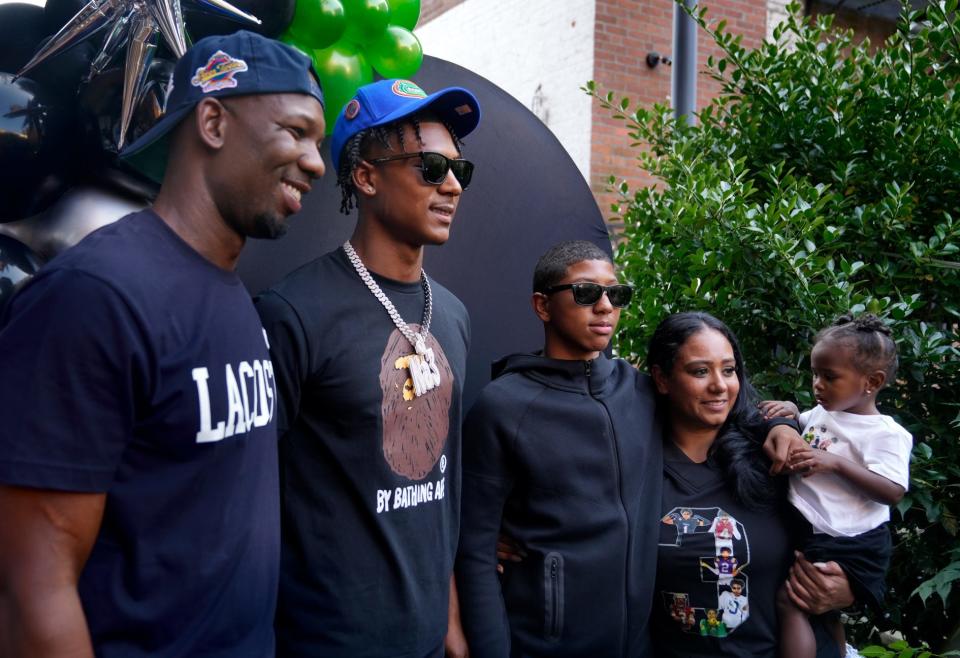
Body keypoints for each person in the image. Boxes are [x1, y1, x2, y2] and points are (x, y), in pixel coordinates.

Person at [0, 31, 325, 658]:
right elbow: (29, 593)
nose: (315, 161)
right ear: (212, 121)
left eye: (318, 142)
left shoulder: (229, 291)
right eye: (295, 131)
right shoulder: (96, 294)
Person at [454, 242, 813, 657]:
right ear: (543, 305)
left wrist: (784, 423)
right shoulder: (503, 406)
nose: (605, 306)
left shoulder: (641, 391)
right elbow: (475, 552)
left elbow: (719, 401)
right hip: (542, 644)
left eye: (616, 294)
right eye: (587, 292)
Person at [254, 78, 480, 657]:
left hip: (428, 639)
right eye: (431, 167)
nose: (452, 185)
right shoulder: (293, 313)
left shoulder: (451, 314)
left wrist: (449, 614)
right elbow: (245, 498)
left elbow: (445, 486)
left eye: (459, 169)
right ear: (367, 176)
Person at [648, 311, 855, 657]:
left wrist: (851, 585)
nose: (720, 385)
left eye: (728, 370)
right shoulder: (637, 469)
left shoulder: (776, 454)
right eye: (700, 371)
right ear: (662, 378)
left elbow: (858, 520)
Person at [759, 313, 911, 658]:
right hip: (817, 530)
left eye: (829, 377)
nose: (818, 385)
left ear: (871, 381)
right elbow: (797, 425)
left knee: (792, 601)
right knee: (824, 611)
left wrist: (838, 464)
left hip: (851, 540)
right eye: (814, 374)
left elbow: (892, 491)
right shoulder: (821, 413)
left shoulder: (885, 434)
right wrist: (790, 410)